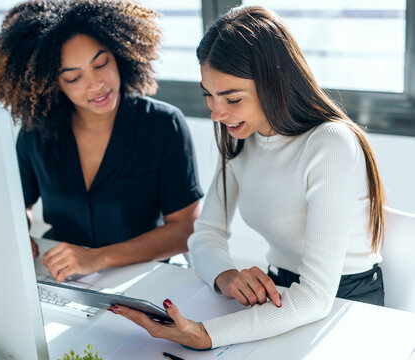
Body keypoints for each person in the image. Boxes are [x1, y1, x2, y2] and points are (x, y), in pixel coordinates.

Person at [109, 5, 386, 349]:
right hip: (279, 295)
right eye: (208, 95)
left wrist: (207, 334)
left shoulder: (330, 143)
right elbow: (205, 235)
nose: (216, 112)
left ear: (276, 81)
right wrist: (225, 277)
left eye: (232, 98)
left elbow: (316, 296)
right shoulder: (244, 139)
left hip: (346, 304)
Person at [0, 0, 203, 282]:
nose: (95, 84)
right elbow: (18, 203)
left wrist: (98, 257)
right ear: (52, 84)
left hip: (146, 276)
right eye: (74, 78)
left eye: (101, 64)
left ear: (119, 55)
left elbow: (185, 229)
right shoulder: (35, 132)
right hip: (63, 276)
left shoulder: (163, 124)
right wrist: (18, 233)